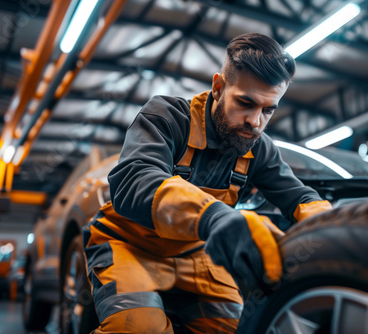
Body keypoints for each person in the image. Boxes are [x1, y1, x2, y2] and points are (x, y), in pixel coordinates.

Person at [83, 32, 332, 334]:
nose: (255, 121)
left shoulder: (259, 148)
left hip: (199, 256)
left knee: (242, 329)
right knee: (139, 328)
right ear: (218, 87)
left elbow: (299, 198)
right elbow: (134, 181)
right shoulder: (167, 117)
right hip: (130, 246)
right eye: (245, 103)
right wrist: (215, 218)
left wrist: (335, 230)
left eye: (268, 110)